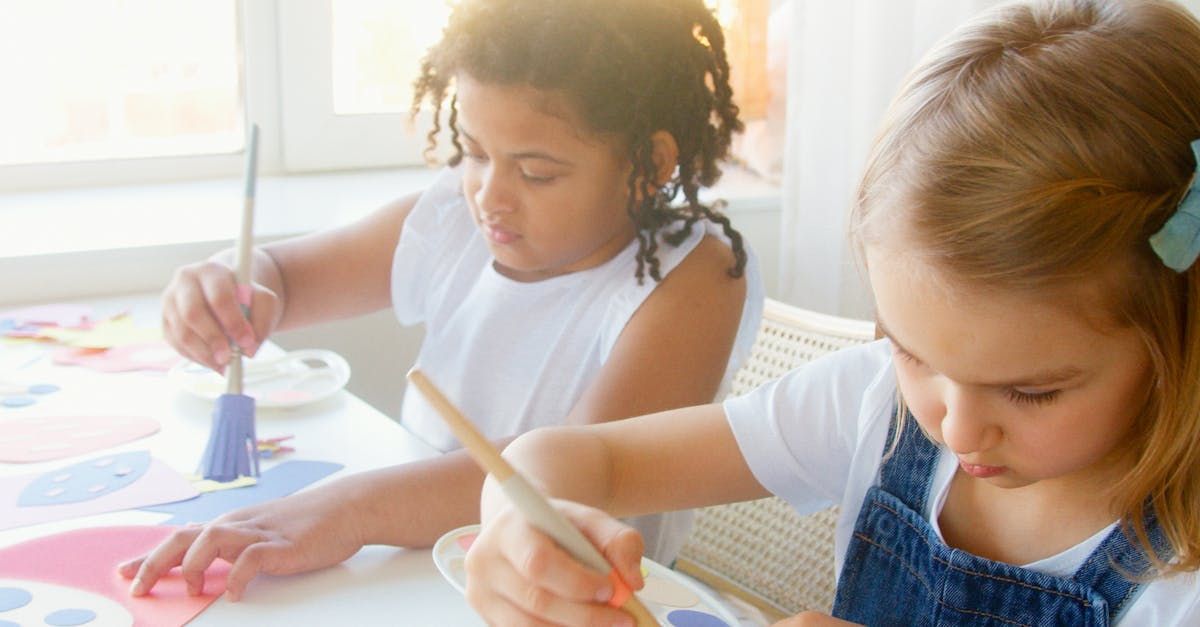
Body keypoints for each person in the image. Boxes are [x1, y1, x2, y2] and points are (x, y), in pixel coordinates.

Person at [460, 0, 1200, 624]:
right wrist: (521, 518)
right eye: (915, 351)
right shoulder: (872, 403)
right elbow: (587, 457)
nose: (957, 426)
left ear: (1181, 332)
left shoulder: (1178, 575)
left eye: (1032, 390)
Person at [119, 0, 764, 602]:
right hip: (414, 572)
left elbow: (570, 466)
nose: (490, 195)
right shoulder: (456, 219)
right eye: (475, 152)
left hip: (576, 601)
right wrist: (227, 281)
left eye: (536, 172)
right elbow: (282, 279)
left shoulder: (698, 275)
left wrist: (346, 509)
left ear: (650, 164)